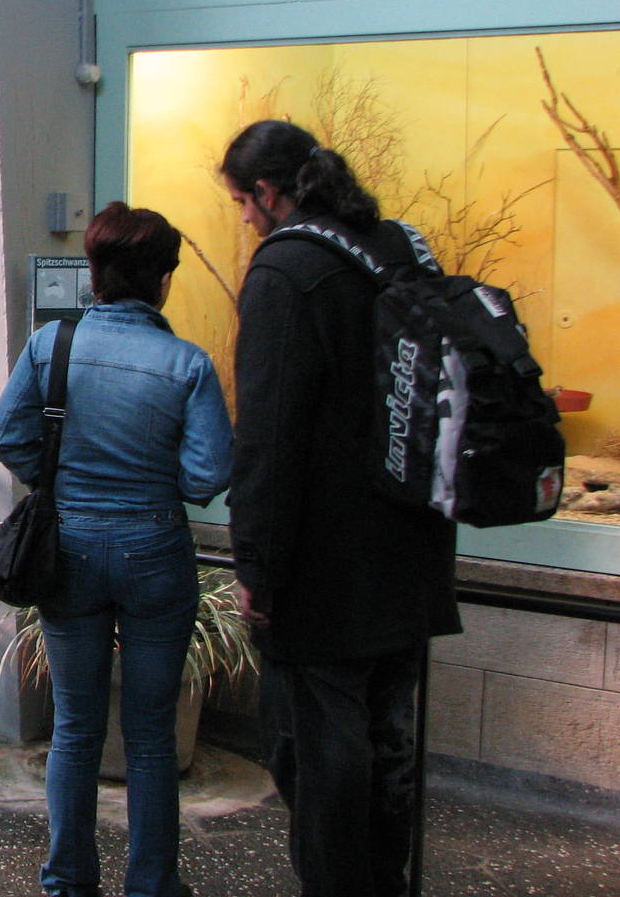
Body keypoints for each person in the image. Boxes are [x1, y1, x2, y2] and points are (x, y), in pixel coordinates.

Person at [220, 120, 460, 897]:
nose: (246, 219)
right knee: (388, 749)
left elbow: (269, 433)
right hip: (414, 550)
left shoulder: (287, 270)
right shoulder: (399, 247)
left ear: (269, 191)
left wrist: (255, 562)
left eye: (243, 203)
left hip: (325, 572)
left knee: (317, 758)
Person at [0, 202, 233, 897]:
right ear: (163, 281)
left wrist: (55, 475)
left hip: (70, 546)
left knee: (74, 727)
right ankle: (152, 885)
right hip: (156, 546)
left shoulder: (51, 347)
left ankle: (68, 881)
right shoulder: (187, 363)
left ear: (95, 273)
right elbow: (210, 472)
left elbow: (4, 436)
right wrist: (163, 479)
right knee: (152, 737)